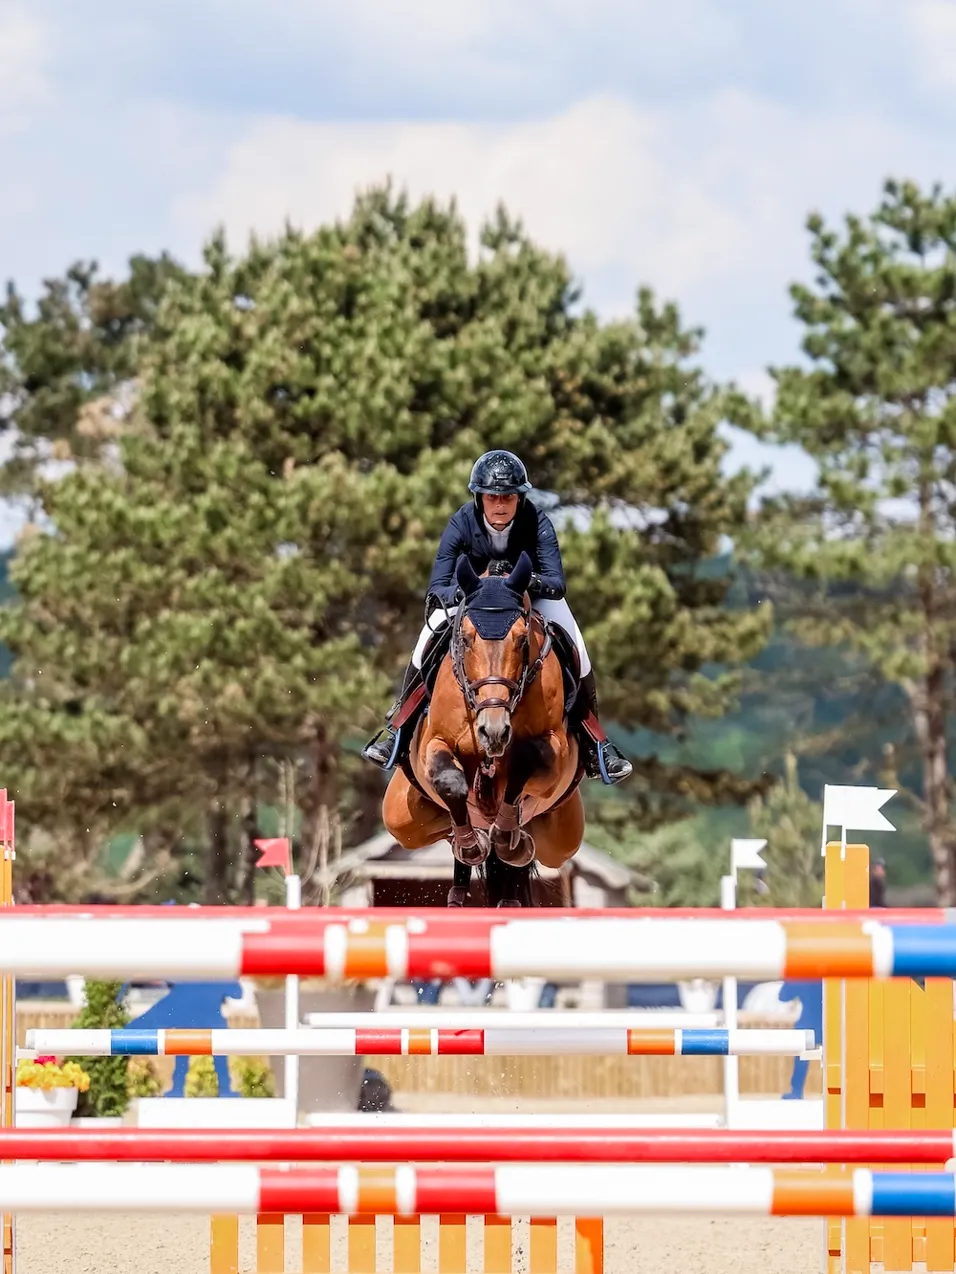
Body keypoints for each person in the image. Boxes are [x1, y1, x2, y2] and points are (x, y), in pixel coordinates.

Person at [362, 449, 633, 784]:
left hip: (527, 599)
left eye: (508, 497)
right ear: (480, 498)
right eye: (492, 497)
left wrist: (523, 581)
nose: (500, 505)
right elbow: (437, 588)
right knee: (425, 643)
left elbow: (556, 583)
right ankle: (398, 733)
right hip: (473, 601)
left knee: (579, 650)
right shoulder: (462, 522)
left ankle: (596, 746)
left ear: (520, 498)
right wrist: (471, 589)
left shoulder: (537, 522)